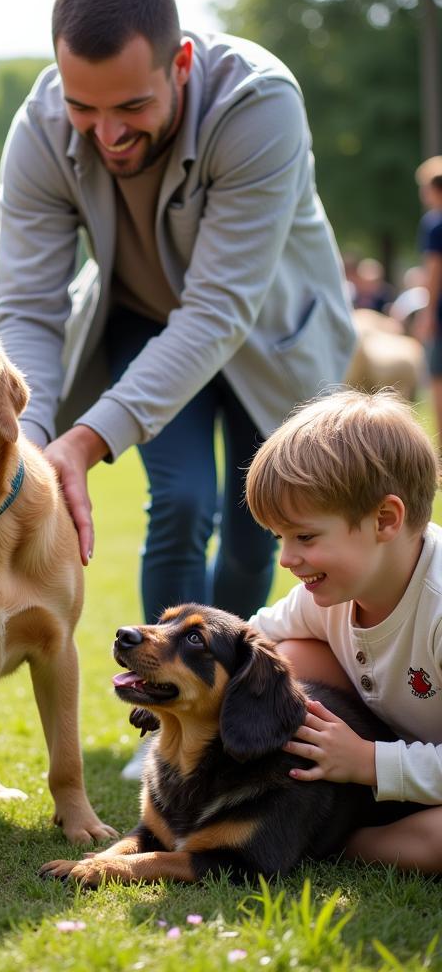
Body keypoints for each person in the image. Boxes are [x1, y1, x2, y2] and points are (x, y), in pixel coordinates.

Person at [0, 0, 355, 774]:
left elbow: (220, 309)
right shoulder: (41, 126)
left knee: (266, 527)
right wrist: (36, 439)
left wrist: (88, 442)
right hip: (143, 331)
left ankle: (246, 714)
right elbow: (27, 309)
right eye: (84, 107)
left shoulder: (261, 103)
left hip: (271, 341)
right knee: (181, 500)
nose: (107, 133)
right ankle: (164, 722)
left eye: (133, 106)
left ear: (180, 62)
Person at [245, 389, 441, 874]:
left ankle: (332, 840)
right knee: (283, 657)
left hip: (413, 777)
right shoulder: (329, 593)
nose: (287, 559)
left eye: (305, 537)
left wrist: (369, 763)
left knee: (438, 842)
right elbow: (246, 640)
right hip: (381, 765)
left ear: (385, 519)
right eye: (280, 538)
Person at [414, 157, 442, 441]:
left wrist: (427, 313)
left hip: (441, 315)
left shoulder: (435, 225)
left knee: (438, 382)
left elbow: (434, 272)